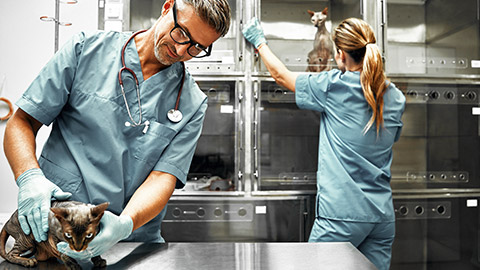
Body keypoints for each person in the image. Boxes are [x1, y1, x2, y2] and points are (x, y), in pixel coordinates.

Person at [3, 0, 230, 261]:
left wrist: (124, 225)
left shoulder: (192, 102)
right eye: (181, 33)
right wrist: (29, 177)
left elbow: (162, 178)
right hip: (56, 233)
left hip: (131, 243)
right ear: (167, 7)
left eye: (196, 47)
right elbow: (22, 122)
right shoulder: (86, 49)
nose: (181, 50)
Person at [243, 17, 405, 270]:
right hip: (381, 217)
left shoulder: (333, 86)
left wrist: (259, 42)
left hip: (342, 216)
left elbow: (281, 76)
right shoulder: (395, 95)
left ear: (340, 55)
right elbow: (388, 137)